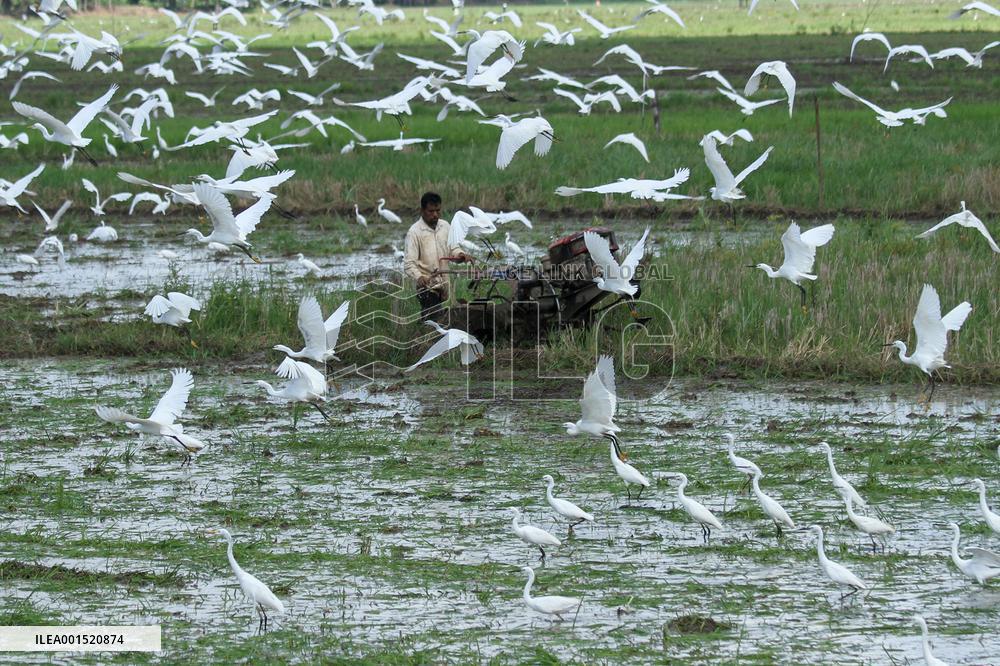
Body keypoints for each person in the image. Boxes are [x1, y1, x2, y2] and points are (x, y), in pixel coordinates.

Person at [403, 192, 470, 318]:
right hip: (426, 286)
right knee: (435, 315)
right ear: (422, 210)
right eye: (431, 211)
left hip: (443, 283)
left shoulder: (445, 226)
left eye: (438, 211)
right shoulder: (414, 233)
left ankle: (423, 331)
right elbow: (409, 263)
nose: (435, 215)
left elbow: (453, 248)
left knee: (435, 318)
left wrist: (460, 255)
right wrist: (419, 277)